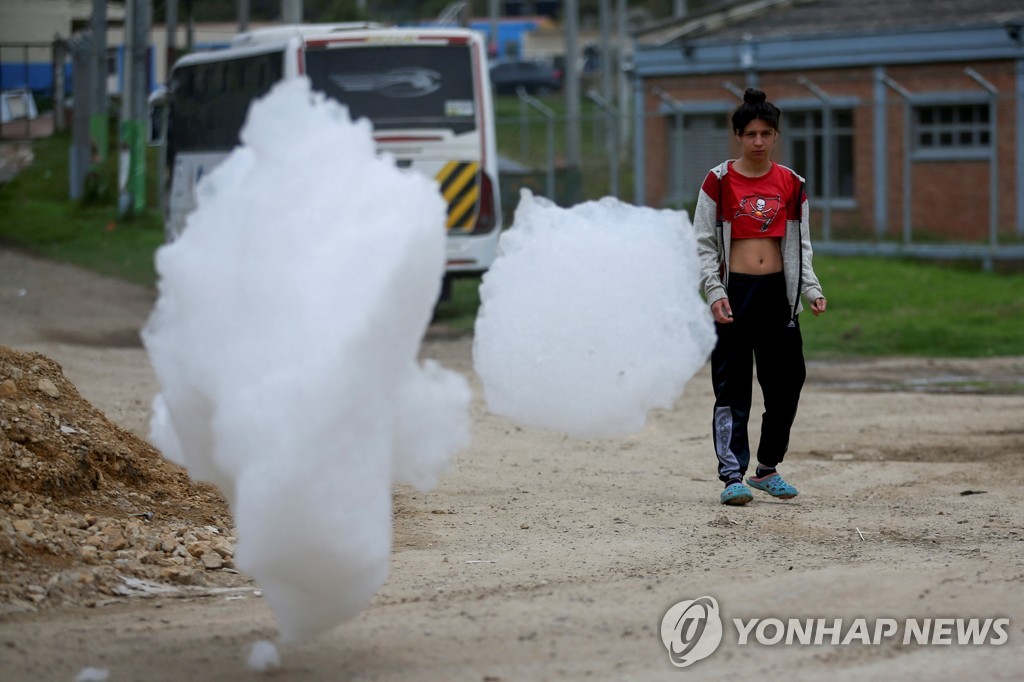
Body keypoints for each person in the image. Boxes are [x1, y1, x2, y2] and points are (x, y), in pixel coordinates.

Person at [693, 88, 827, 506]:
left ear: (775, 135)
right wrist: (713, 291)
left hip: (777, 297)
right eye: (750, 133)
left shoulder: (791, 183)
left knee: (787, 384)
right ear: (737, 135)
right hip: (734, 296)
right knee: (732, 390)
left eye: (766, 133)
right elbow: (703, 244)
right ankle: (732, 475)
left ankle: (767, 468)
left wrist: (810, 287)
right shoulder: (718, 181)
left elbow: (801, 244)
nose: (758, 141)